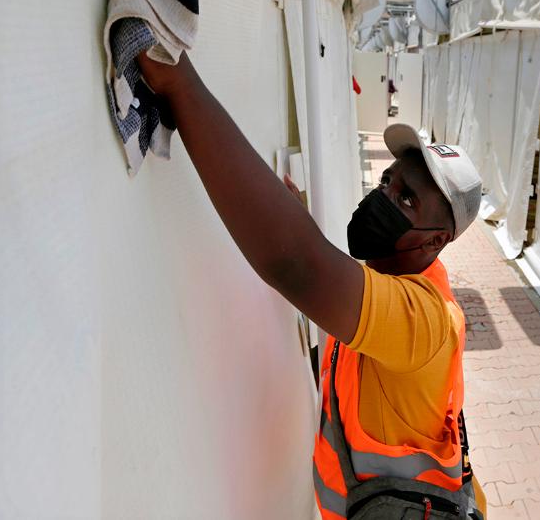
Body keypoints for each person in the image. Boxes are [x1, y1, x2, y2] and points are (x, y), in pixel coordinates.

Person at [136, 53, 486, 519]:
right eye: (387, 180)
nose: (383, 194)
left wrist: (179, 85)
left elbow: (297, 265)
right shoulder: (388, 280)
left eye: (405, 199)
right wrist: (297, 219)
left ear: (436, 241)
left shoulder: (423, 321)